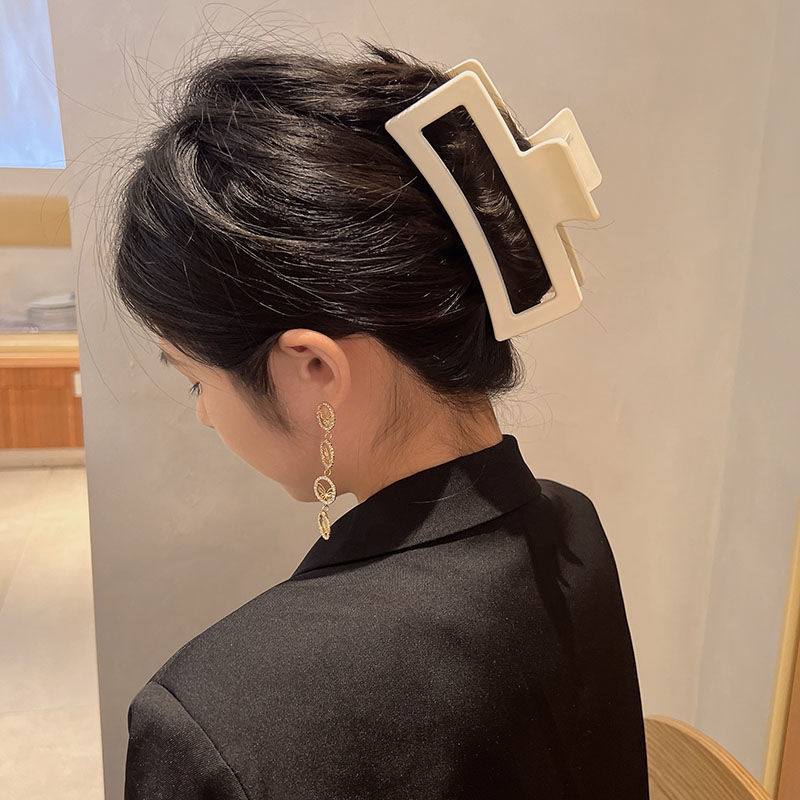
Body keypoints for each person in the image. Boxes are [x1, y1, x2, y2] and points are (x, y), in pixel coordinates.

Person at [113, 38, 649, 799]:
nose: (203, 415)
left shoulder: (217, 720)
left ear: (313, 369)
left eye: (196, 379)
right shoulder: (571, 528)